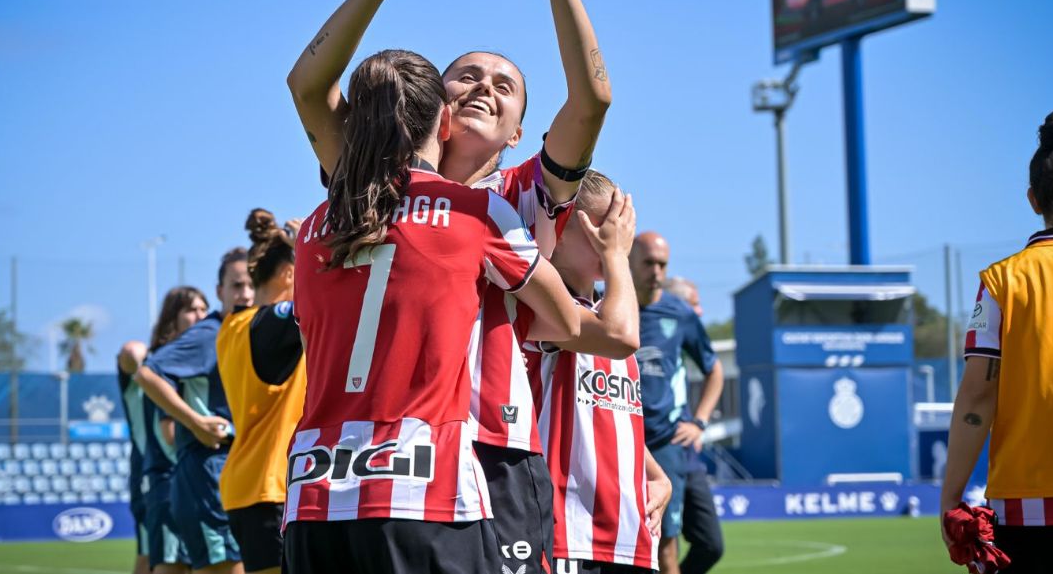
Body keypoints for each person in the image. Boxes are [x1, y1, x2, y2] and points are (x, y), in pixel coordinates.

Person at [287, 0, 612, 574]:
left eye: (507, 85)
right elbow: (308, 88)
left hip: (493, 447)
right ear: (435, 103)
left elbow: (592, 100)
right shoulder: (366, 180)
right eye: (467, 74)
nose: (485, 86)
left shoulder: (523, 191)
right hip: (391, 462)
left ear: (522, 130)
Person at [282, 49, 579, 574]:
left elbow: (307, 84)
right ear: (443, 121)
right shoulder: (477, 210)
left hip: (313, 492)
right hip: (426, 486)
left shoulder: (313, 227)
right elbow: (568, 322)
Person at [941, 111, 1053, 572]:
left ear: (1033, 200)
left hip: (1026, 514)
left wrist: (951, 499)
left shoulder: (1000, 283)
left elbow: (977, 396)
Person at [529, 171, 671, 574]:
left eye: (622, 226)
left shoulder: (611, 309)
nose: (616, 236)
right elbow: (621, 335)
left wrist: (657, 476)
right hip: (569, 533)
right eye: (605, 225)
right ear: (561, 225)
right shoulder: (540, 307)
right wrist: (614, 257)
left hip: (631, 535)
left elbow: (610, 414)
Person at [136, 250, 255, 574]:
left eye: (251, 284)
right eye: (237, 285)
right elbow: (147, 373)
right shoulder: (209, 333)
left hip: (239, 469)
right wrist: (196, 421)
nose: (245, 293)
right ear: (220, 291)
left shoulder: (249, 330)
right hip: (206, 469)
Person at [630, 233, 725, 574]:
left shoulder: (679, 313)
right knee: (652, 543)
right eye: (648, 263)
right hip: (625, 441)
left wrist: (698, 422)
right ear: (628, 259)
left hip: (667, 441)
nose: (656, 271)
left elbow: (715, 370)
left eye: (662, 264)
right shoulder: (608, 303)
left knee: (685, 543)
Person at [217, 209, 305, 574]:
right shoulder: (271, 323)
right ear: (288, 273)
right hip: (271, 487)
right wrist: (310, 250)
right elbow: (325, 302)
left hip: (247, 485)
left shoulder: (233, 325)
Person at [138, 285, 209, 574]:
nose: (200, 316)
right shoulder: (168, 362)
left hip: (191, 480)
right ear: (173, 318)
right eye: (191, 310)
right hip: (169, 482)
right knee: (172, 566)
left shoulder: (199, 356)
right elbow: (169, 436)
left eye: (204, 309)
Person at [117, 339, 151, 574]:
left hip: (191, 473)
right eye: (191, 309)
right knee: (149, 556)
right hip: (150, 475)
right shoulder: (147, 366)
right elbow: (130, 352)